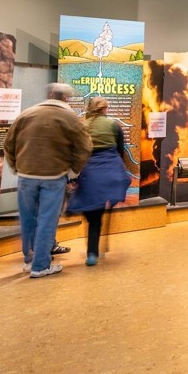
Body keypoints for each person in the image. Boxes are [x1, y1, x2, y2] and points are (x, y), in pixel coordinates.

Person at [4, 83, 92, 278]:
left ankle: (29, 260)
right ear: (65, 98)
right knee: (47, 220)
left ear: (50, 94)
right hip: (54, 176)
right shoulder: (70, 118)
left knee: (28, 219)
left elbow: (8, 143)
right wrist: (72, 172)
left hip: (26, 176)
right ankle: (41, 265)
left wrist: (15, 166)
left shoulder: (26, 114)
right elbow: (85, 148)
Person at [66, 96, 132, 266]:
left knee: (92, 214)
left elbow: (75, 150)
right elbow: (120, 150)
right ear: (104, 108)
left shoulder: (82, 125)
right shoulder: (113, 125)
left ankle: (92, 252)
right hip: (110, 172)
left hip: (89, 172)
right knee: (99, 213)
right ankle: (93, 252)